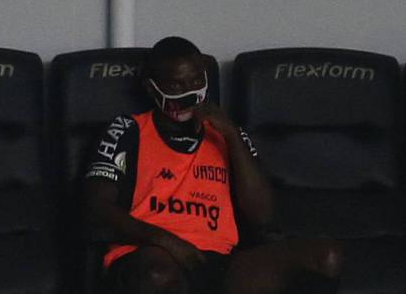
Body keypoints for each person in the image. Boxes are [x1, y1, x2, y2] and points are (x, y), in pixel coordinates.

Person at [84, 36, 342, 294]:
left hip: (218, 260)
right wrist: (167, 241)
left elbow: (263, 217)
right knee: (158, 274)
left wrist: (231, 135)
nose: (190, 92)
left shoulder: (226, 132)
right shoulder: (127, 129)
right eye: (176, 85)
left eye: (197, 81)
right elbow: (97, 205)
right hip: (150, 252)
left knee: (324, 256)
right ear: (152, 89)